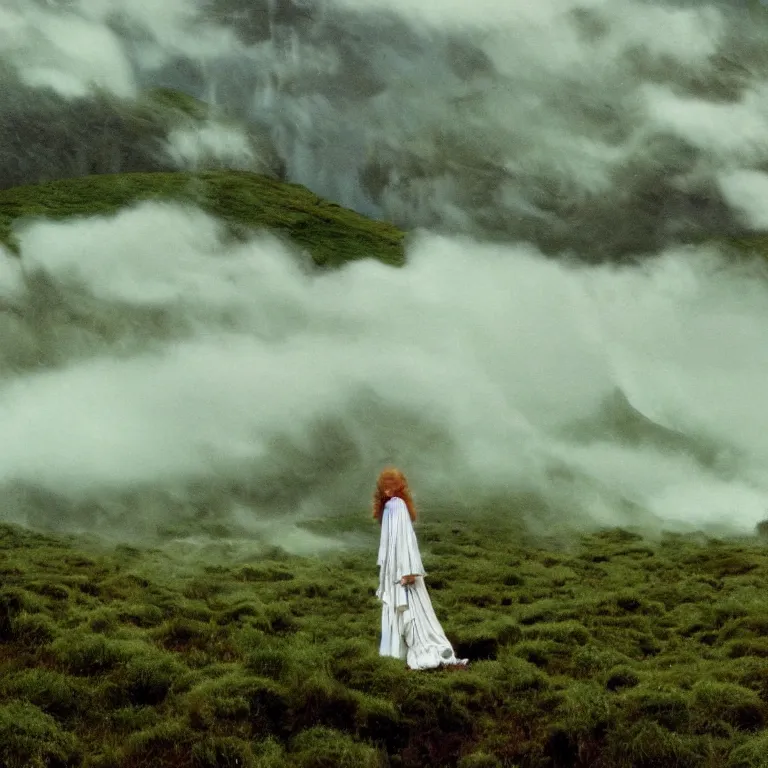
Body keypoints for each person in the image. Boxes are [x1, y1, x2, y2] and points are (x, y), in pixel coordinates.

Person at [373, 466, 468, 670]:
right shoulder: (394, 506)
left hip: (400, 569)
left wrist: (408, 571)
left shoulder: (396, 506)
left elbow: (405, 539)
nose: (388, 490)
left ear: (398, 487)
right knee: (411, 608)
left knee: (411, 609)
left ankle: (406, 651)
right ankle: (399, 653)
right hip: (396, 567)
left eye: (392, 486)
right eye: (385, 486)